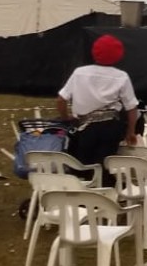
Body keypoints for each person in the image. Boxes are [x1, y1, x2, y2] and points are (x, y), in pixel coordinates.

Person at [56, 35, 139, 174]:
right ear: (118, 55)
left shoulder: (79, 73)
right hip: (110, 127)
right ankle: (103, 191)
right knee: (104, 166)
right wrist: (131, 131)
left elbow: (61, 99)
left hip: (84, 127)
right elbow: (131, 107)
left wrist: (65, 118)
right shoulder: (121, 76)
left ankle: (82, 189)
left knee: (81, 165)